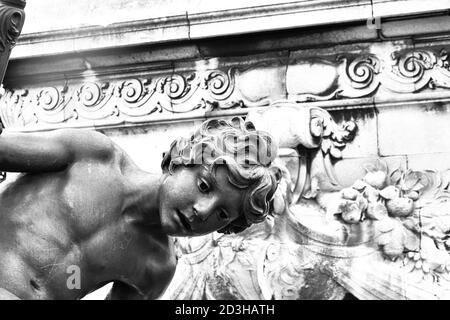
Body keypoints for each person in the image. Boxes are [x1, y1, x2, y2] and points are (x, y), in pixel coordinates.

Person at [0, 117, 280, 300]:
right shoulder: (91, 156)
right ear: (180, 159)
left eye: (222, 215)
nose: (202, 212)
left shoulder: (156, 266)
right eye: (204, 186)